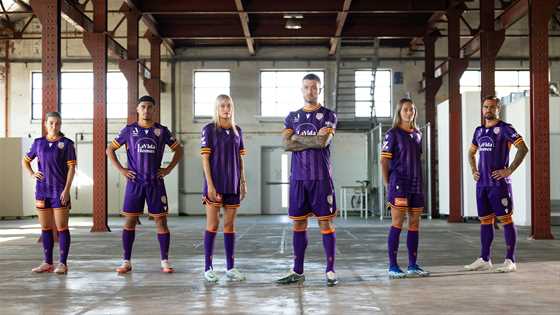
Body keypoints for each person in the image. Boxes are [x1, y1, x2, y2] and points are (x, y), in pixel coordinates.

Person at [107, 95, 183, 274]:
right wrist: (122, 170)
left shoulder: (161, 131)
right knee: (130, 221)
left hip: (155, 183)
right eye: (143, 107)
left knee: (161, 221)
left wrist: (168, 169)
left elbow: (178, 149)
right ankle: (126, 261)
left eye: (150, 107)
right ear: (137, 109)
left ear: (154, 109)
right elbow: (110, 149)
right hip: (135, 183)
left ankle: (164, 261)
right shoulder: (129, 130)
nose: (146, 110)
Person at [276, 73, 338, 286]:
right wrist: (311, 139)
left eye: (314, 87)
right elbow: (286, 145)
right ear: (301, 90)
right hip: (298, 179)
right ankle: (298, 271)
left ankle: (330, 271)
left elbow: (324, 142)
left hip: (321, 178)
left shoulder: (329, 115)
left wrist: (297, 138)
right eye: (306, 87)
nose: (310, 91)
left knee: (325, 223)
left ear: (319, 90)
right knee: (299, 224)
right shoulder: (292, 116)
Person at [465, 95, 528, 273]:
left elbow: (523, 148)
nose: (488, 110)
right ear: (482, 109)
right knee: (485, 222)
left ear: (498, 109)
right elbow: (470, 153)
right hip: (482, 184)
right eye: (486, 107)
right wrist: (473, 170)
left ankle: (510, 260)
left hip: (499, 185)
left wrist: (509, 170)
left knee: (506, 220)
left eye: (492, 107)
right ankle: (485, 259)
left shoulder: (505, 129)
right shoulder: (478, 131)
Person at [200, 94, 248, 283]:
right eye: (222, 106)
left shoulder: (238, 131)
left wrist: (243, 182)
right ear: (217, 108)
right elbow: (205, 159)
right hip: (216, 184)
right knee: (213, 225)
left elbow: (240, 158)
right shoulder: (209, 130)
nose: (226, 109)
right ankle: (208, 268)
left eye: (229, 105)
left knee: (229, 226)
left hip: (233, 184)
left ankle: (230, 267)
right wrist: (210, 185)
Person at [380, 98, 430, 279]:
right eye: (406, 110)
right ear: (399, 112)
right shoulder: (392, 134)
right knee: (398, 223)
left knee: (415, 224)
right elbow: (384, 160)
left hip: (416, 184)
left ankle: (412, 265)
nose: (410, 112)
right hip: (399, 184)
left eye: (412, 109)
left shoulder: (418, 134)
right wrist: (388, 184)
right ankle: (393, 266)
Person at [22, 111, 76, 274]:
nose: (54, 126)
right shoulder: (38, 143)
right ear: (45, 124)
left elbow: (72, 168)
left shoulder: (67, 144)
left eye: (57, 123)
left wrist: (67, 190)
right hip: (42, 191)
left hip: (59, 191)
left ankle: (63, 263)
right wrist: (32, 173)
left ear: (60, 125)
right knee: (45, 227)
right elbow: (25, 160)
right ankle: (47, 263)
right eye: (51, 123)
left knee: (62, 227)